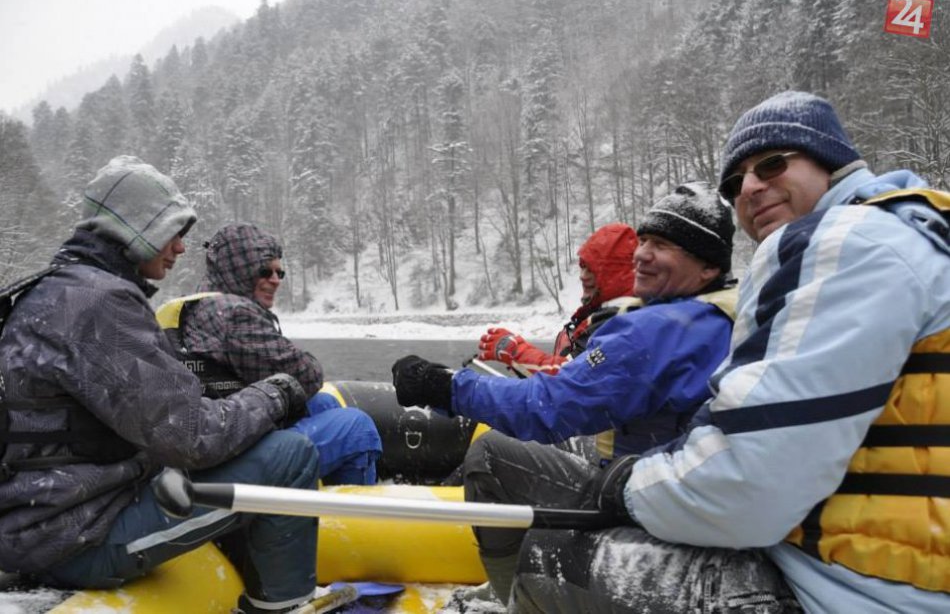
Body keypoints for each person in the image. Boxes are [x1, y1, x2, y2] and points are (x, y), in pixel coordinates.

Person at [493, 91, 950, 613]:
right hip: (903, 570)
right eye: (735, 183)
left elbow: (749, 485)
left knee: (550, 553)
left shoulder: (842, 242)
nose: (750, 188)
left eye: (772, 163)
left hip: (854, 591)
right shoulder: (920, 237)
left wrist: (623, 486)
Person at [0, 156, 322, 614]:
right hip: (74, 540)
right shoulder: (99, 304)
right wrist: (276, 392)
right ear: (137, 229)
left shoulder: (50, 290)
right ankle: (284, 607)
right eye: (173, 232)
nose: (181, 248)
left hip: (35, 523)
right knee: (291, 455)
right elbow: (193, 438)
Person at [392, 183, 743, 603]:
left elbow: (549, 406)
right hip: (684, 483)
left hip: (644, 496)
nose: (642, 254)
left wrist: (445, 385)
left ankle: (516, 597)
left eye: (663, 245)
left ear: (707, 267)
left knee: (489, 455)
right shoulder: (724, 316)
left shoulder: (659, 331)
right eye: (643, 240)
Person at [158, 223, 382, 485]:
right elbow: (307, 376)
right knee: (357, 427)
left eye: (280, 272)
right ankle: (346, 516)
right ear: (240, 270)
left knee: (324, 404)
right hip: (225, 456)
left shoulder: (196, 304)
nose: (275, 280)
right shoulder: (233, 313)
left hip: (208, 434)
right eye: (265, 271)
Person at [477, 222, 639, 376]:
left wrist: (515, 351)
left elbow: (571, 379)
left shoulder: (620, 323)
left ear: (617, 275)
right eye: (582, 267)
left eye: (593, 269)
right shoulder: (601, 317)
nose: (583, 276)